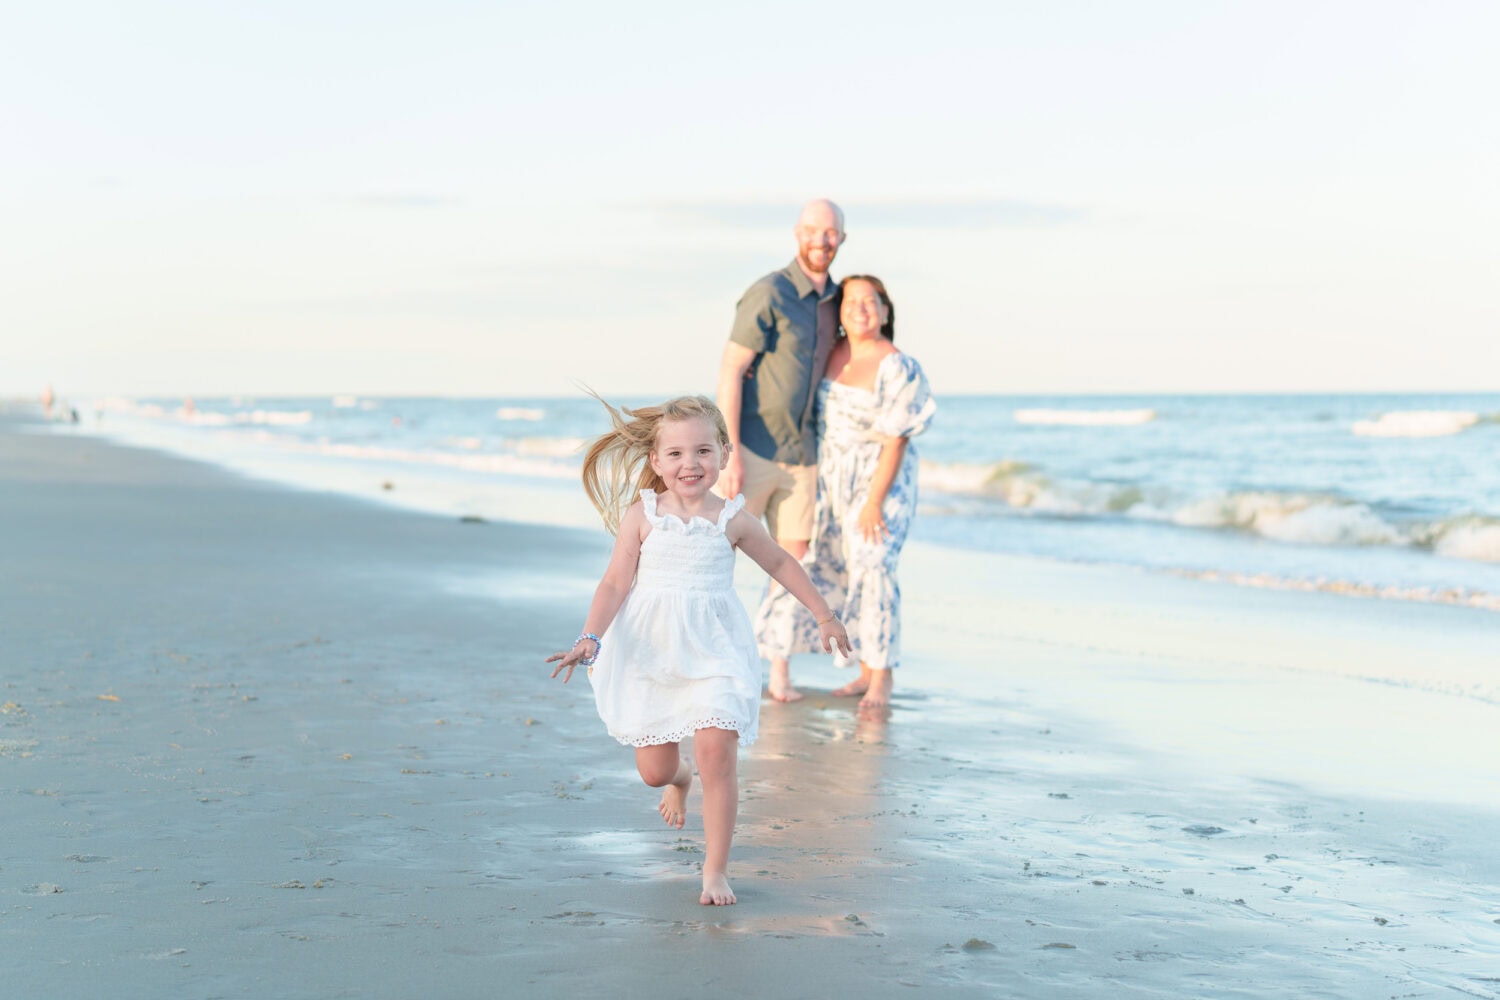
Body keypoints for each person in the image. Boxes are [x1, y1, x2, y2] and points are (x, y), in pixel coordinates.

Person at [546, 395, 850, 906]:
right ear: (656, 462)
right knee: (655, 772)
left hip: (715, 653)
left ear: (726, 454)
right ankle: (680, 780)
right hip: (651, 654)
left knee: (718, 753)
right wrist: (590, 636)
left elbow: (779, 563)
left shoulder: (733, 519)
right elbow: (616, 582)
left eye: (704, 451)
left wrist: (824, 614)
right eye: (677, 454)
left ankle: (715, 870)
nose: (691, 464)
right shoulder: (642, 515)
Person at [754, 276, 936, 711]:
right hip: (828, 481)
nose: (861, 308)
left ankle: (880, 678)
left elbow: (897, 441)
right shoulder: (830, 356)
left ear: (886, 311)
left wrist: (873, 501)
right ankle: (849, 669)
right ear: (839, 312)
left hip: (880, 484)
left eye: (871, 301)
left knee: (873, 566)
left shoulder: (899, 366)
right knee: (822, 564)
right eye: (851, 301)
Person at [717, 198, 845, 703]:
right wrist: (729, 452)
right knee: (716, 553)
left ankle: (777, 670)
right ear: (798, 234)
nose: (822, 240)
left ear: (842, 240)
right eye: (814, 230)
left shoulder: (838, 300)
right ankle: (714, 661)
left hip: (804, 454)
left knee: (791, 565)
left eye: (832, 233)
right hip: (753, 448)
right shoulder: (769, 293)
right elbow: (730, 370)